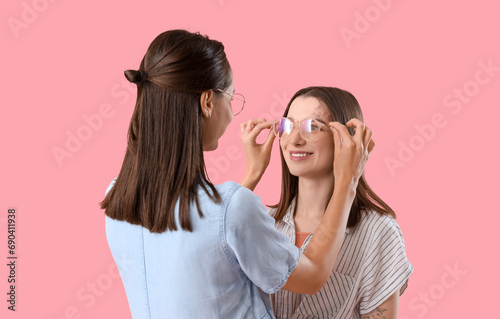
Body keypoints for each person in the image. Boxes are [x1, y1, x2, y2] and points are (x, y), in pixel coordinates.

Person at [100, 30, 375, 319]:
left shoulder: (118, 199)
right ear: (207, 102)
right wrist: (348, 181)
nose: (232, 114)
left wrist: (252, 175)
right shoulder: (231, 208)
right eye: (231, 98)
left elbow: (207, 247)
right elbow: (313, 275)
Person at [241, 87, 413, 319]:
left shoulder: (378, 231)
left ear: (347, 139)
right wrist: (252, 172)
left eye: (312, 126)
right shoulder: (263, 222)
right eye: (287, 126)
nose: (294, 139)